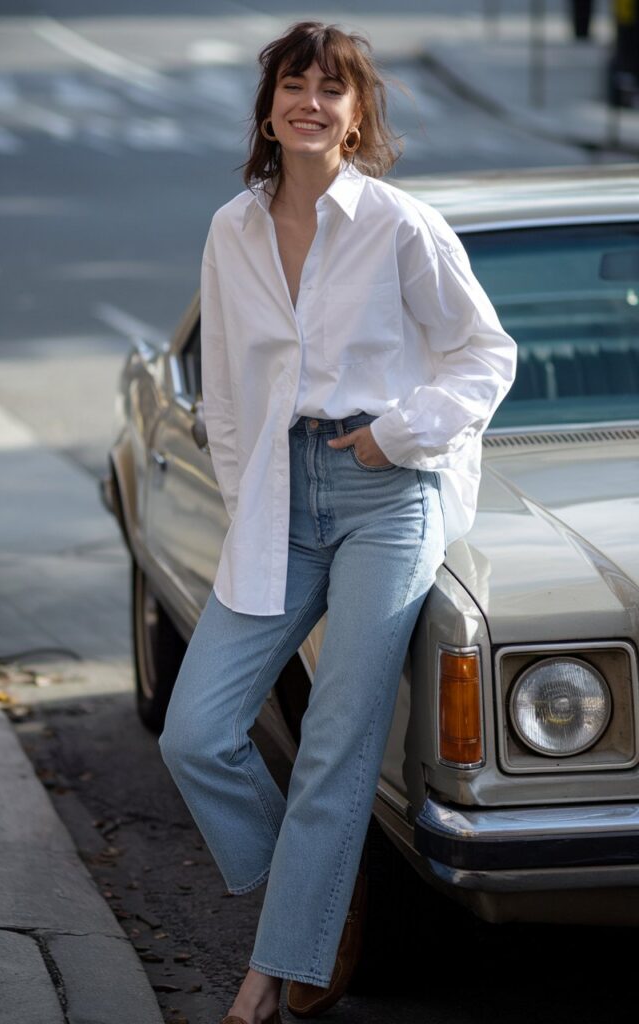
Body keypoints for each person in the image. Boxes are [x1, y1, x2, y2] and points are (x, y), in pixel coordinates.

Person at [158, 20, 517, 1024]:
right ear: (268, 108)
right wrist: (248, 503)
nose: (309, 102)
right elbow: (228, 389)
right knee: (195, 734)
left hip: (387, 494)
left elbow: (485, 355)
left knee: (334, 741)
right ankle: (312, 895)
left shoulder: (400, 225)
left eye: (331, 88)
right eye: (293, 84)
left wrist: (394, 436)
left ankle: (267, 976)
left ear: (356, 118)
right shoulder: (232, 229)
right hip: (280, 494)